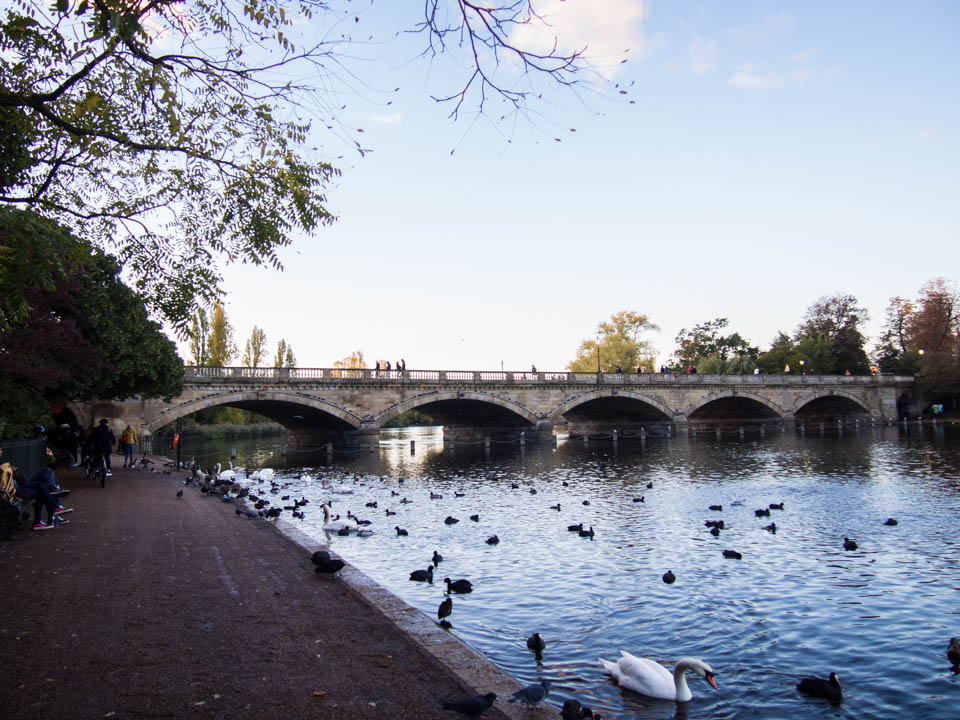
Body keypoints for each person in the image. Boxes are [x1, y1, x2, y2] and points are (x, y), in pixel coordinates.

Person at [0, 447, 71, 530]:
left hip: (21, 482)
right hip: (17, 488)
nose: (2, 451)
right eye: (0, 449)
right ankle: (53, 506)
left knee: (46, 472)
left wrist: (14, 471)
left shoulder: (2, 463)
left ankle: (53, 501)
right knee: (42, 487)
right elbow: (5, 482)